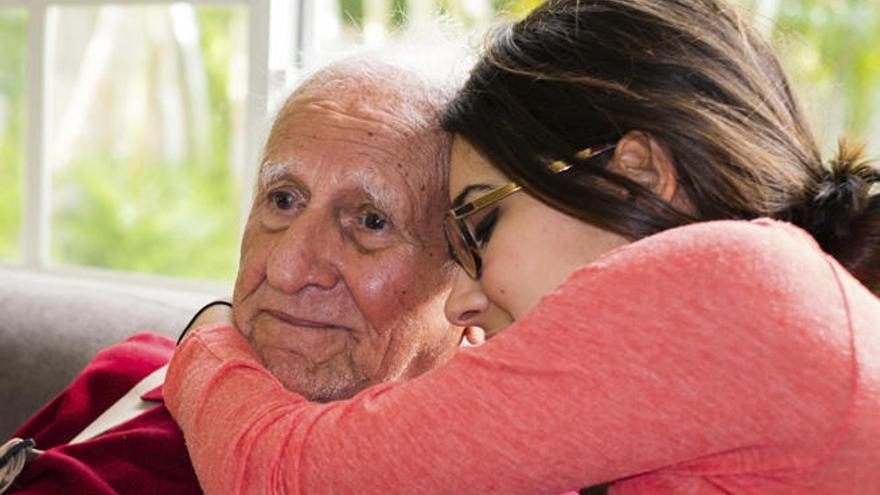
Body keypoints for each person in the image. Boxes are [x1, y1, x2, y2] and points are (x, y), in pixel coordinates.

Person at [163, 0, 880, 493]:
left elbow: (284, 476)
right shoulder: (757, 313)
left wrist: (207, 338)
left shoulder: (732, 284)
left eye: (480, 225)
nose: (465, 300)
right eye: (282, 201)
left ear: (637, 173)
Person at [4, 55, 476, 494]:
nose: (286, 268)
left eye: (371, 221)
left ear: (473, 279)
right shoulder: (128, 373)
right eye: (283, 199)